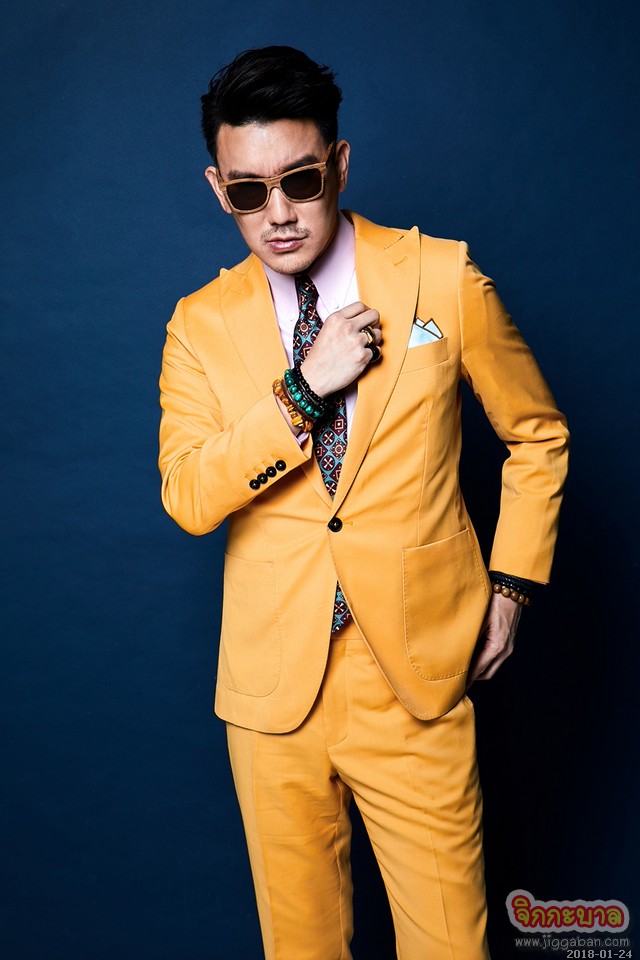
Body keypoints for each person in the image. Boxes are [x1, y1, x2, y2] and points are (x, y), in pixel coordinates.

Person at [158, 45, 569, 960]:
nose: (278, 214)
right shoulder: (197, 326)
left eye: (300, 181)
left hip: (415, 681)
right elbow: (188, 494)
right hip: (272, 701)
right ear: (218, 189)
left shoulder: (442, 278)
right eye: (248, 192)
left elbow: (538, 436)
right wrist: (302, 392)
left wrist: (512, 586)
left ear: (339, 163)